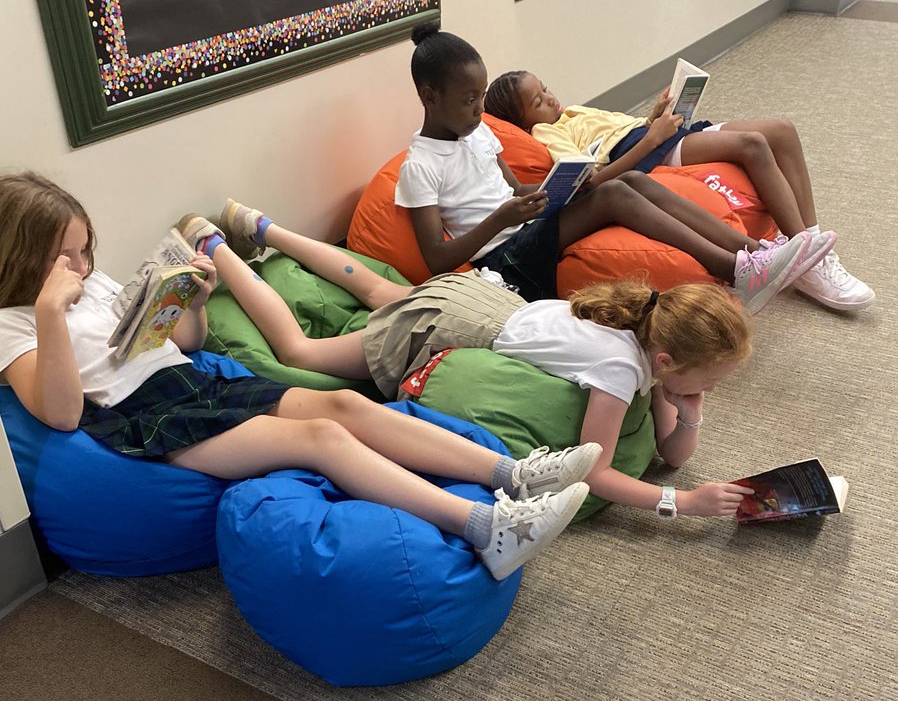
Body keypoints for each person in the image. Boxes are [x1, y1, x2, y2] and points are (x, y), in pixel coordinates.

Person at [0, 172, 604, 583]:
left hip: (196, 384)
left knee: (344, 405)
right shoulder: (13, 323)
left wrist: (193, 302)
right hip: (154, 421)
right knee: (322, 440)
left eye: (86, 250)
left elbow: (186, 346)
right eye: (65, 256)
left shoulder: (94, 285)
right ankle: (486, 529)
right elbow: (62, 415)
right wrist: (50, 311)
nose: (82, 266)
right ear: (21, 258)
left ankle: (515, 475)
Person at [191, 198, 758, 519]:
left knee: (375, 290)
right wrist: (683, 503)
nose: (711, 389)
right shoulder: (621, 369)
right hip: (444, 327)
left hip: (479, 297)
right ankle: (213, 246)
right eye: (710, 379)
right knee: (300, 351)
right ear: (666, 360)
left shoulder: (643, 321)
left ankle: (262, 226)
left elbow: (673, 451)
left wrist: (689, 410)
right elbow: (597, 470)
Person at [394, 24, 835, 313]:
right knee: (616, 193)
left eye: (481, 97)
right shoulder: (421, 167)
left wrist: (556, 187)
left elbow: (513, 189)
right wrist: (501, 218)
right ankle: (736, 272)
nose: (478, 109)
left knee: (635, 179)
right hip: (505, 257)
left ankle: (756, 251)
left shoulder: (480, 134)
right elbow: (437, 259)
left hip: (527, 226)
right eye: (469, 100)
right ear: (430, 97)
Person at [484, 69, 874, 312]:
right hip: (645, 149)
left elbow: (622, 127)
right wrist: (652, 138)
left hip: (653, 134)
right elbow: (590, 176)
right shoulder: (547, 132)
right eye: (538, 101)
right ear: (522, 121)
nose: (551, 99)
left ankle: (810, 246)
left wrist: (653, 119)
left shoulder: (576, 112)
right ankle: (804, 261)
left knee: (781, 130)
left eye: (546, 89)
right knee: (753, 144)